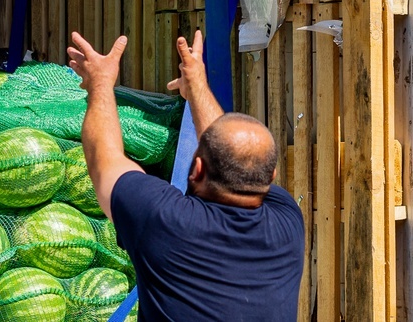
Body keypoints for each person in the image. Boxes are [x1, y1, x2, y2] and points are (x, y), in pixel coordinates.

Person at [67, 30, 305, 322]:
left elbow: (104, 158)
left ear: (198, 169)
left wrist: (100, 84)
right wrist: (197, 87)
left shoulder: (166, 222)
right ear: (271, 175)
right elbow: (223, 146)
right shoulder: (287, 221)